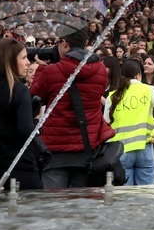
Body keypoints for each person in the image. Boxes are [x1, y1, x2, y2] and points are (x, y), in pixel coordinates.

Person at [31, 28, 114, 189]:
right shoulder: (100, 69)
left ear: (64, 43)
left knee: (54, 200)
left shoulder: (51, 71)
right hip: (87, 146)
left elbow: (36, 98)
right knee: (82, 200)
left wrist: (42, 69)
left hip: (56, 148)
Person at [0, 39, 44, 189]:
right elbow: (25, 130)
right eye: (23, 58)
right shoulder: (19, 90)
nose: (28, 63)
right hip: (20, 165)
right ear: (10, 60)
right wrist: (36, 120)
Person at [105, 59, 154, 185]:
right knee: (146, 193)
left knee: (125, 193)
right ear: (138, 75)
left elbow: (106, 123)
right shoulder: (148, 90)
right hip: (145, 148)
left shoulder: (113, 96)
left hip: (121, 150)